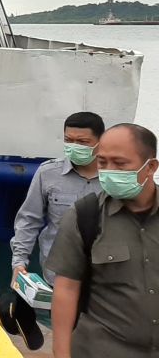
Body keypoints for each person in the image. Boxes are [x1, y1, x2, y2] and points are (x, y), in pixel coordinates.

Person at [48, 123, 159, 357]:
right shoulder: (85, 216)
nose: (109, 171)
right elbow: (66, 290)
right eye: (102, 162)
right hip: (101, 350)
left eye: (120, 164)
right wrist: (61, 353)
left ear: (150, 167)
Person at [11, 111, 104, 283]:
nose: (74, 146)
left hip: (102, 277)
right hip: (57, 274)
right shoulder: (48, 173)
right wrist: (19, 262)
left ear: (101, 142)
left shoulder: (114, 178)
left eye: (83, 142)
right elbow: (29, 220)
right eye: (69, 140)